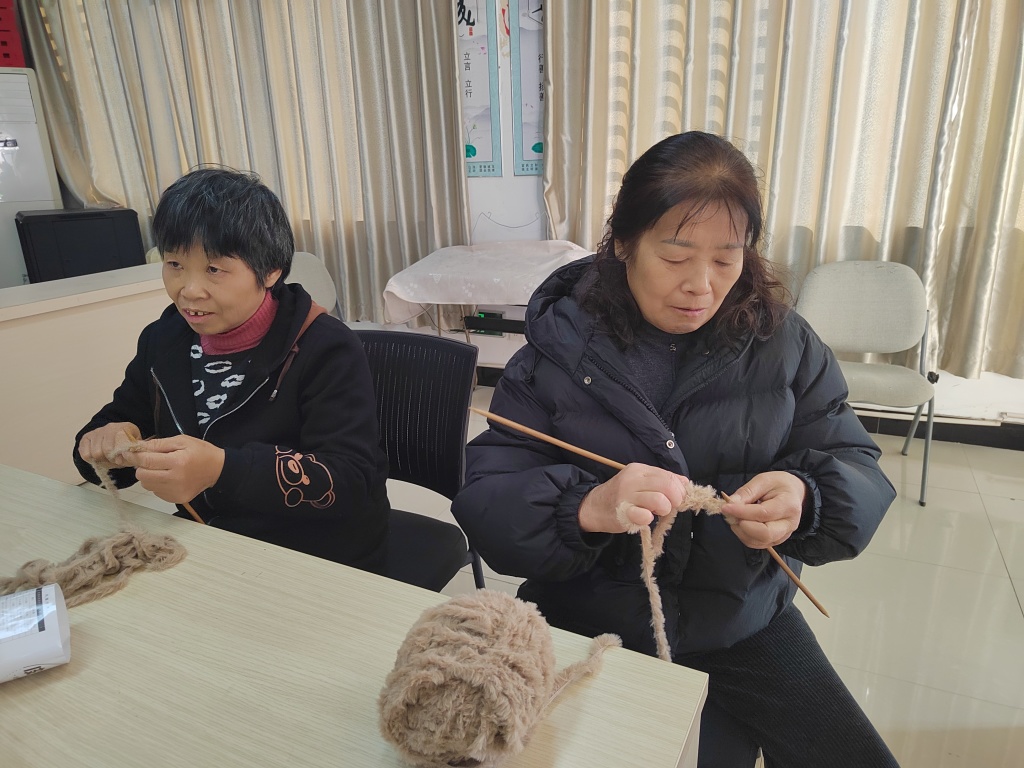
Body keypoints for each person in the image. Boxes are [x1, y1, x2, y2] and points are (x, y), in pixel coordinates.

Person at [451, 132, 899, 767]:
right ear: (625, 243)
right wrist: (585, 509)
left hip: (739, 617)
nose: (701, 286)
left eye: (726, 259)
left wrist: (808, 499)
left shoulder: (785, 345)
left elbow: (856, 464)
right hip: (583, 613)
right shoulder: (560, 349)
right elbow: (486, 495)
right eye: (676, 255)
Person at [74, 168, 390, 573]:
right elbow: (116, 426)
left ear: (270, 270)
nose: (189, 290)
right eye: (175, 264)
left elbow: (349, 480)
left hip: (319, 554)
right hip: (208, 541)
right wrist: (105, 443)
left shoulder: (325, 347)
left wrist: (220, 470)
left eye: (214, 270)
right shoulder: (163, 340)